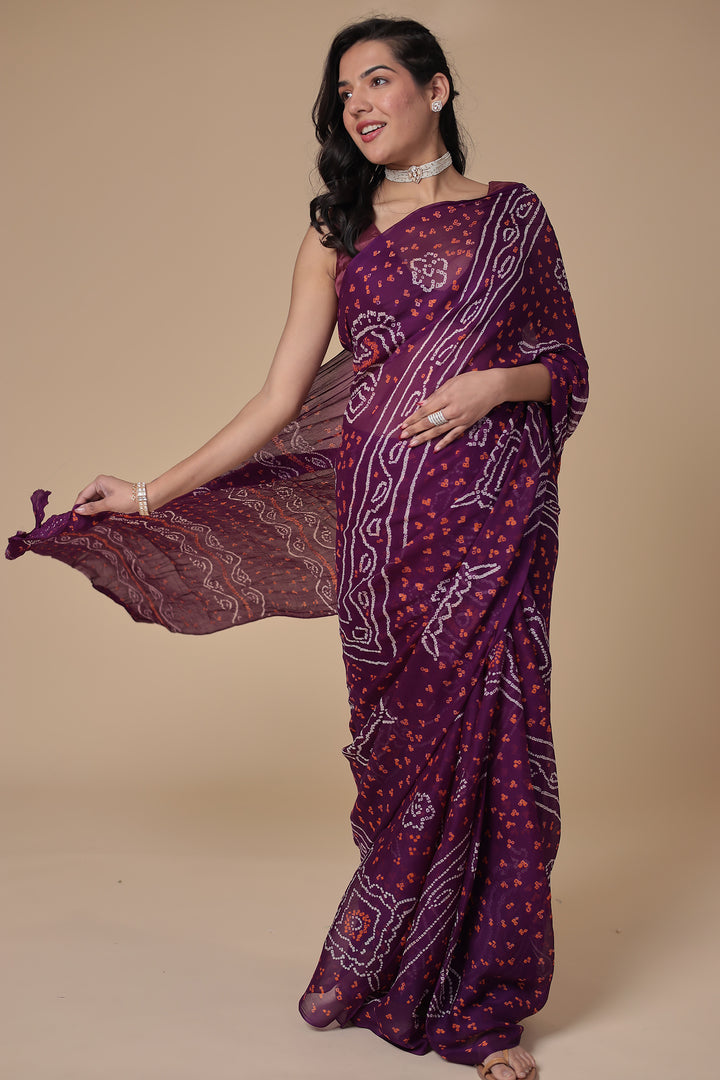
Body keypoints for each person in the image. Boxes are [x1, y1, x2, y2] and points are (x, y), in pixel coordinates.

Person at [7, 17, 588, 1080]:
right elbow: (278, 400)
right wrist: (147, 492)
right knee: (405, 746)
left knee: (498, 738)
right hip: (381, 529)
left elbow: (567, 366)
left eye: (379, 80)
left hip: (497, 515)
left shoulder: (515, 217)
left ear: (437, 88)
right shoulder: (337, 231)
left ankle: (485, 1005)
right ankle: (396, 962)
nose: (360, 104)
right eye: (345, 92)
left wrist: (494, 384)